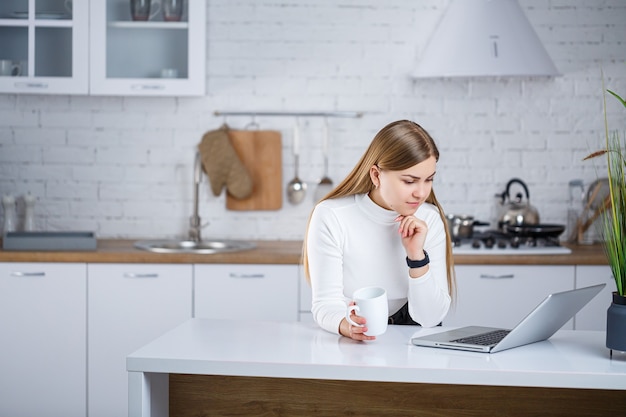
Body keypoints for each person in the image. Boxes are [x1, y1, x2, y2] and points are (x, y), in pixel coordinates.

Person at [303, 120, 455, 341]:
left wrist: (417, 257)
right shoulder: (331, 216)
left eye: (428, 180)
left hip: (414, 338)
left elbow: (430, 319)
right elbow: (325, 305)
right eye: (410, 181)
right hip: (355, 332)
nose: (421, 193)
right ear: (376, 175)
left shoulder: (429, 218)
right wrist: (347, 326)